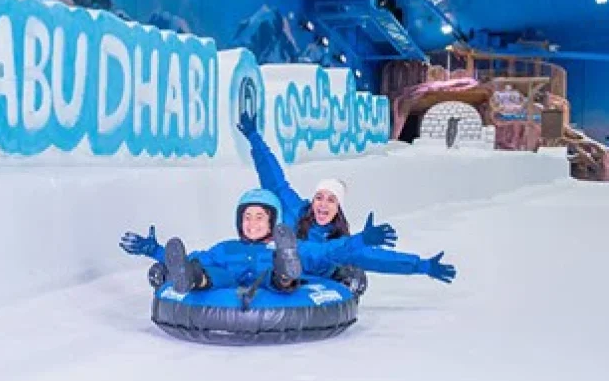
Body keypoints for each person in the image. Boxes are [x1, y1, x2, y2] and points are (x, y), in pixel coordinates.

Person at [236, 110, 456, 292]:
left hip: (319, 276)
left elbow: (379, 258)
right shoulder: (295, 210)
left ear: (338, 209)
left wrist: (422, 265)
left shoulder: (340, 240)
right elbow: (274, 179)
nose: (323, 204)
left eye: (331, 200)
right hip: (285, 269)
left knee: (346, 266)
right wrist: (254, 137)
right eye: (319, 197)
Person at [119, 188, 398, 304]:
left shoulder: (292, 246)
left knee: (279, 274)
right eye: (247, 218)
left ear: (272, 221)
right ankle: (191, 280)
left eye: (260, 217)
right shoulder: (227, 247)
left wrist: (362, 239)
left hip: (271, 279)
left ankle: (287, 272)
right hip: (230, 278)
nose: (252, 224)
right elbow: (193, 256)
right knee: (210, 271)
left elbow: (330, 251)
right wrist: (154, 250)